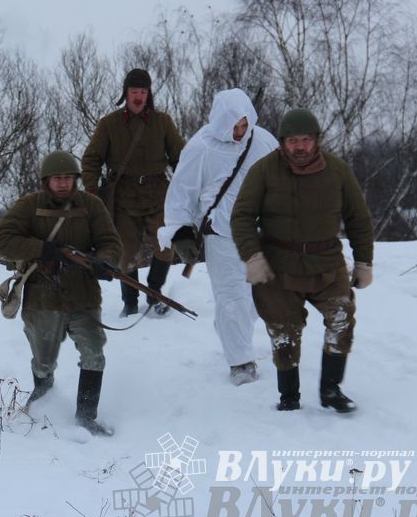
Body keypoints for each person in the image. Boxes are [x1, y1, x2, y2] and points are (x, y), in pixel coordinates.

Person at [230, 109, 374, 412]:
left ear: (316, 141)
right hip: (278, 267)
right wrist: (252, 256)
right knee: (284, 332)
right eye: (293, 140)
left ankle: (331, 390)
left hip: (327, 263)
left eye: (306, 140)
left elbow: (358, 218)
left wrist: (363, 262)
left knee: (341, 319)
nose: (300, 147)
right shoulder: (264, 170)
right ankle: (289, 396)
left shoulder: (337, 171)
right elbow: (242, 216)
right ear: (283, 143)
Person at [0, 150, 123, 436]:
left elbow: (110, 242)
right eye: (57, 178)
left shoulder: (92, 205)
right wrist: (43, 249)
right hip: (43, 296)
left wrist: (104, 262)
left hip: (83, 294)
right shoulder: (29, 206)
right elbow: (1, 240)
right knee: (43, 360)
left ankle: (86, 417)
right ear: (46, 181)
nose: (63, 184)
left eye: (68, 178)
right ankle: (43, 395)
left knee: (93, 352)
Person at [157, 89, 278, 386]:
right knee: (231, 298)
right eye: (234, 125)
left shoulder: (263, 141)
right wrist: (181, 231)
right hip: (222, 234)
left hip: (259, 232)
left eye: (244, 124)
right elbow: (181, 193)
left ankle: (234, 336)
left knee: (254, 298)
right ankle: (241, 362)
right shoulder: (201, 147)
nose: (240, 131)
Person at [81, 68, 185, 317]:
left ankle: (155, 292)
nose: (138, 97)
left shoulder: (163, 122)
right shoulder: (109, 124)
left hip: (158, 192)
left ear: (148, 94)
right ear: (125, 94)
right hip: (123, 196)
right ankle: (129, 301)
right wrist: (93, 191)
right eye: (134, 91)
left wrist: (188, 184)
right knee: (125, 252)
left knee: (166, 244)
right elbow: (92, 158)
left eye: (143, 92)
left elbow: (180, 157)